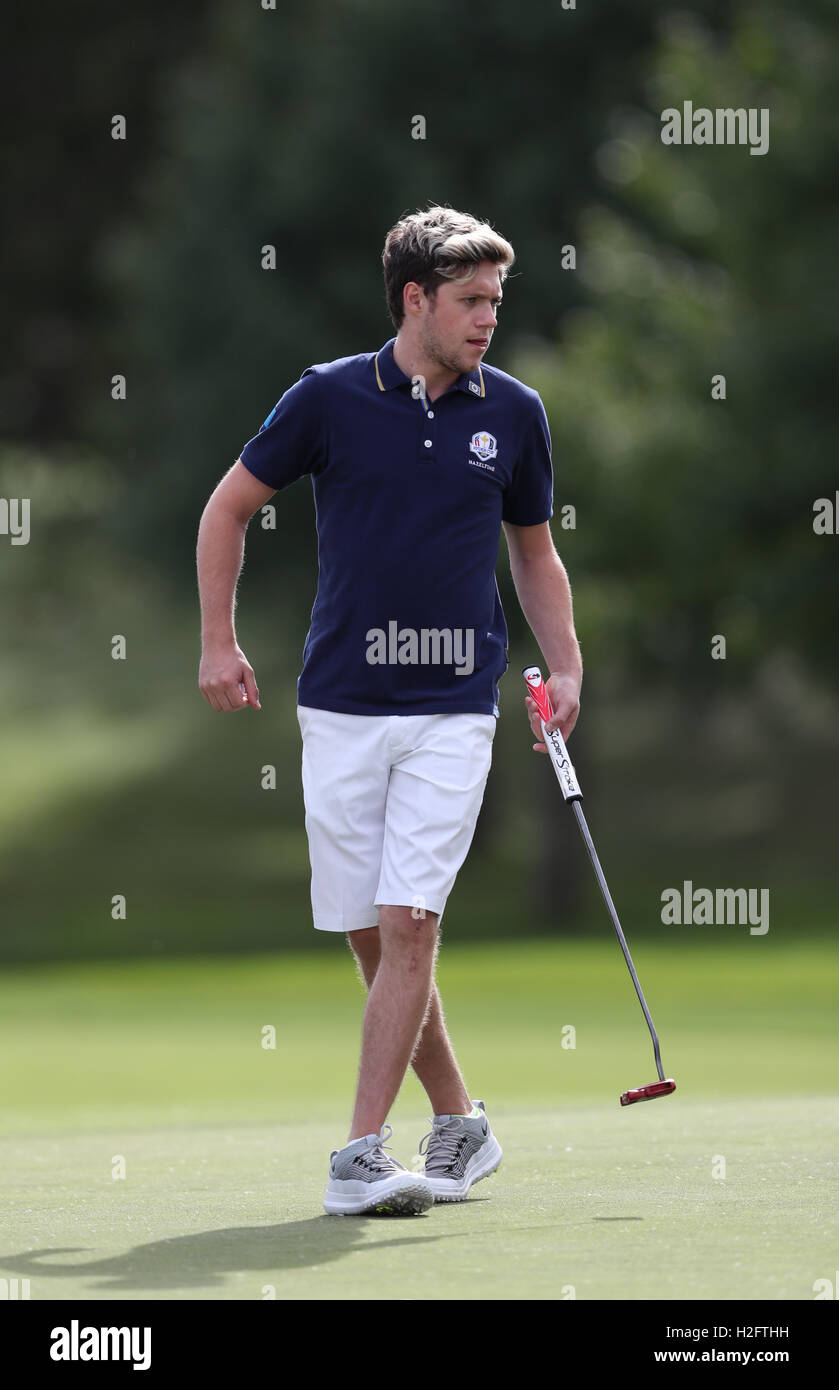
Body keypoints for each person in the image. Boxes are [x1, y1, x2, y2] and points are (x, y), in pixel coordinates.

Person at [197, 205, 582, 1216]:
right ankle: (459, 1119)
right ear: (413, 299)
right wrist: (215, 640)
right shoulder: (326, 398)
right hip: (339, 704)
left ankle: (357, 1154)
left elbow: (533, 552)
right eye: (468, 300)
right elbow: (226, 508)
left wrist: (566, 667)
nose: (487, 318)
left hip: (456, 704)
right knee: (372, 931)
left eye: (495, 300)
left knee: (411, 920)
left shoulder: (515, 411)